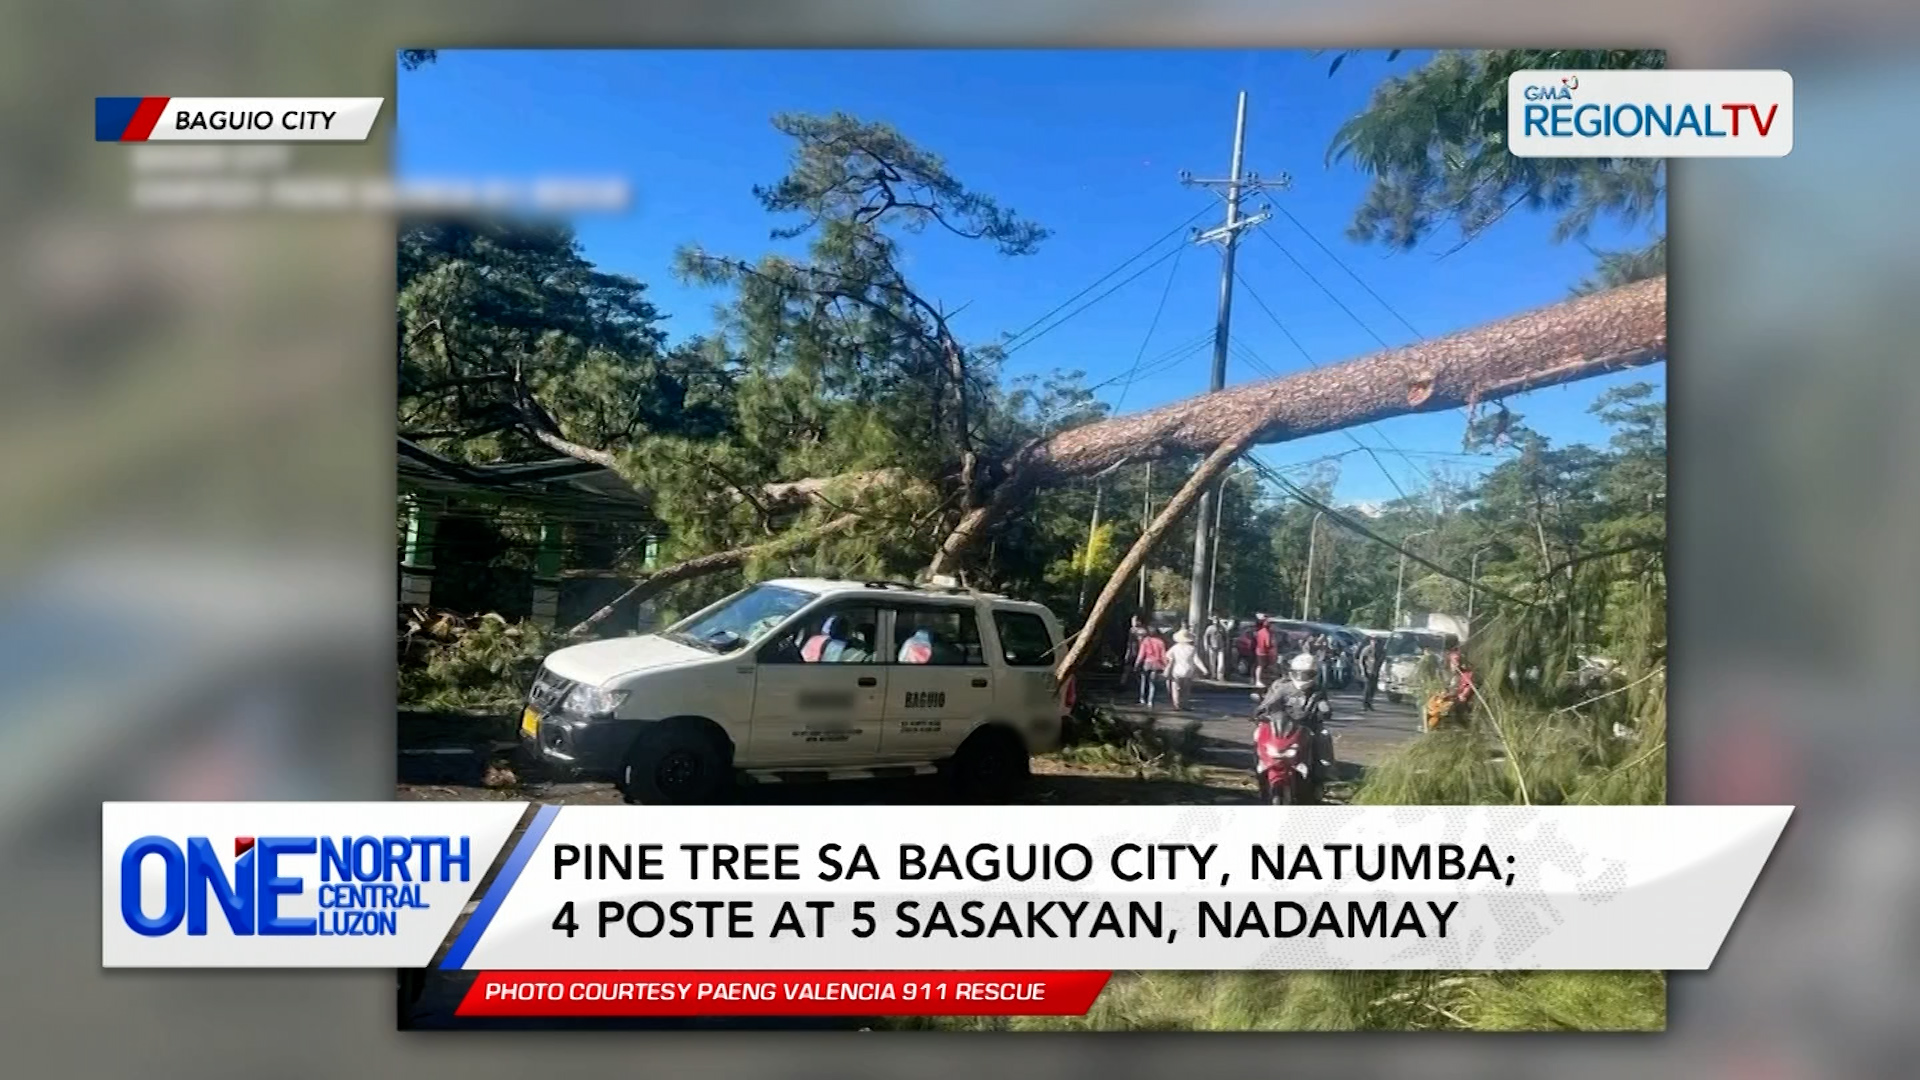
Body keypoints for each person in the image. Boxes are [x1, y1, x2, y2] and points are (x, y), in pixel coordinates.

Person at [1255, 652, 1335, 780]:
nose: (1301, 677)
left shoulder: (1317, 690)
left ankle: (1324, 771)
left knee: (1324, 735)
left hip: (1308, 725)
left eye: (1306, 674)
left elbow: (1323, 704)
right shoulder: (1283, 687)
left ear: (1314, 674)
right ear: (1291, 672)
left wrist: (1325, 710)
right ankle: (1260, 762)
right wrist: (1261, 710)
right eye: (1297, 673)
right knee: (1259, 733)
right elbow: (1271, 701)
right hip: (1283, 726)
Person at [1167, 628, 1209, 710]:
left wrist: (1171, 661)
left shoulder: (1175, 648)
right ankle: (1185, 704)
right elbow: (1197, 661)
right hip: (1188, 671)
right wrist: (1204, 670)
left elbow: (1167, 656)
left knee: (1175, 688)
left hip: (1176, 670)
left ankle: (1176, 704)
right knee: (1186, 689)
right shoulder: (1192, 648)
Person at [1135, 626, 1168, 707]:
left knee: (1143, 681)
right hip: (1156, 664)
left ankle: (1142, 698)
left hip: (1147, 663)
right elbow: (1163, 655)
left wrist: (1136, 664)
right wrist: (1166, 665)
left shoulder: (1145, 641)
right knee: (1152, 683)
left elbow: (1141, 654)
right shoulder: (1160, 642)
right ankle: (1150, 701)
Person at [1253, 615, 1278, 688]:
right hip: (1265, 652)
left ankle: (1259, 680)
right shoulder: (1267, 633)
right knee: (1262, 666)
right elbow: (1268, 644)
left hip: (1259, 650)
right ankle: (1261, 680)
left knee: (1260, 666)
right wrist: (1273, 644)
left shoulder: (1260, 631)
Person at [1358, 634, 1382, 711]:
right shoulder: (1367, 649)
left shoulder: (1380, 650)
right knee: (1367, 689)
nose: (1374, 642)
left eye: (1376, 640)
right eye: (1373, 640)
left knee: (1373, 689)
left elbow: (1381, 660)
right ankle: (1364, 704)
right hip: (1368, 671)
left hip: (1376, 671)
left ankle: (1370, 703)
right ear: (1370, 641)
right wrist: (1363, 671)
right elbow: (1361, 661)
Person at [1122, 614, 1147, 680]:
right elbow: (1129, 642)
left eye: (1135, 621)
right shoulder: (1132, 630)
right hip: (1132, 650)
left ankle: (1137, 681)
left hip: (1139, 651)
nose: (1133, 623)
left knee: (1138, 667)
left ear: (1139, 621)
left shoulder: (1142, 631)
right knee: (1127, 667)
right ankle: (1123, 682)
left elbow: (1141, 642)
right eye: (1132, 621)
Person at [1201, 619, 1224, 684]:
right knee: (1212, 663)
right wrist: (1207, 646)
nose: (1216, 622)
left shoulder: (1221, 628)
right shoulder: (1210, 628)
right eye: (1214, 620)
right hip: (1212, 647)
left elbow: (1225, 636)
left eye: (1217, 620)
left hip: (1220, 648)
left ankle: (1220, 676)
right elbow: (1205, 637)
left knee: (1221, 663)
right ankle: (1213, 675)